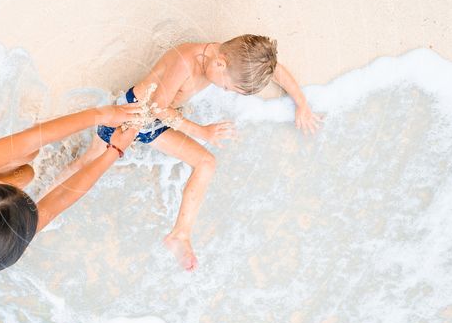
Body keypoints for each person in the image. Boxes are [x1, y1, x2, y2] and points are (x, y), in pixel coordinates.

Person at [54, 35, 323, 271]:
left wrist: (301, 104)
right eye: (227, 86)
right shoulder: (185, 60)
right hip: (133, 114)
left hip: (158, 122)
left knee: (206, 163)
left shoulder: (236, 58)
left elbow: (273, 69)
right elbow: (157, 108)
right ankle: (45, 200)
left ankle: (180, 236)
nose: (224, 90)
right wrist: (203, 132)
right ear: (220, 63)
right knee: (88, 163)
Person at [0, 105, 141, 276]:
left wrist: (103, 115)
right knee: (27, 174)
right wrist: (112, 152)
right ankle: (84, 156)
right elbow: (59, 199)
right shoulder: (3, 238)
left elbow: (31, 138)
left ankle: (6, 172)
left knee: (28, 156)